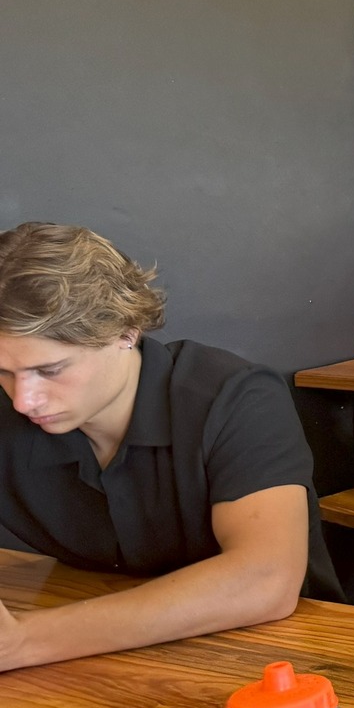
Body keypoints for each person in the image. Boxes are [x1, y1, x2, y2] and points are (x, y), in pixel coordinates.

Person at [0, 222, 314, 669]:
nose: (23, 400)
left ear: (125, 332)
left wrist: (24, 642)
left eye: (50, 370)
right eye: (4, 373)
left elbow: (265, 579)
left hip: (276, 656)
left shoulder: (235, 397)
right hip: (88, 659)